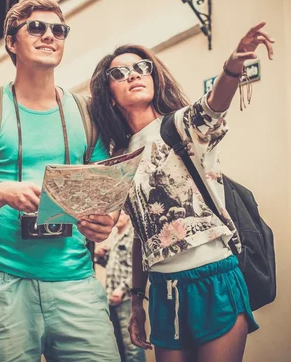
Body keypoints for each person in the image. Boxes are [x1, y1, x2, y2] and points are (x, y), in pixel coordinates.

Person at [0, 0, 120, 362]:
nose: (49, 36)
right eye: (36, 27)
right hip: (3, 284)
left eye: (59, 30)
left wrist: (104, 223)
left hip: (77, 283)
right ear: (12, 42)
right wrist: (3, 193)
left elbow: (103, 198)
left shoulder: (88, 114)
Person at [89, 22, 275, 362]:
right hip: (162, 292)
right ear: (110, 97)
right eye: (121, 73)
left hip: (214, 278)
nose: (134, 75)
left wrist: (233, 67)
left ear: (154, 77)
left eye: (142, 68)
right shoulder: (118, 156)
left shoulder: (180, 126)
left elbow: (214, 105)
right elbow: (140, 235)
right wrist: (136, 302)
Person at [95, 211, 147, 362]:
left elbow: (139, 268)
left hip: (125, 299)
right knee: (119, 346)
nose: (119, 217)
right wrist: (99, 256)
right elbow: (116, 266)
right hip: (112, 298)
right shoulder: (117, 236)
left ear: (129, 216)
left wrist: (121, 289)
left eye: (123, 213)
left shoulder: (132, 237)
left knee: (132, 346)